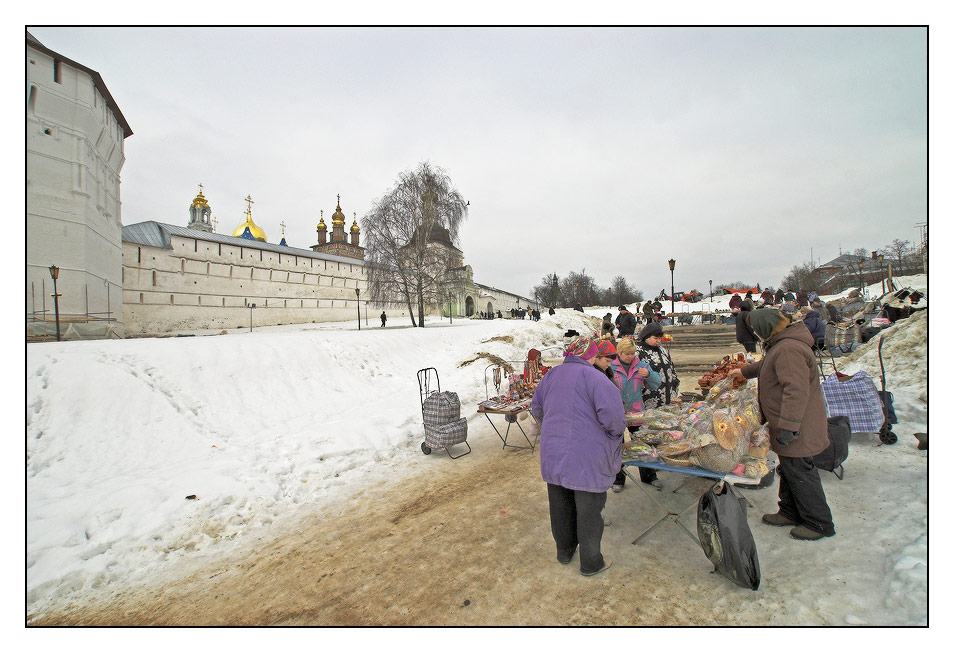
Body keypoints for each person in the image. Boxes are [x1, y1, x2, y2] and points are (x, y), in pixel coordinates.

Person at [727, 308, 835, 541]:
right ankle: (790, 511)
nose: (754, 332)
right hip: (791, 422)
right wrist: (744, 371)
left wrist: (788, 426)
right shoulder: (782, 343)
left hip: (797, 425)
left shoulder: (788, 349)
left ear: (766, 327)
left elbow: (795, 390)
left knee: (800, 472)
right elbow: (768, 364)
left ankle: (818, 523)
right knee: (788, 469)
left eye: (756, 328)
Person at [530, 337, 625, 576]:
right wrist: (613, 435)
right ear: (590, 356)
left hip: (554, 453)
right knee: (589, 509)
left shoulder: (551, 376)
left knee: (560, 504)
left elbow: (537, 408)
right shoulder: (596, 378)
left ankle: (564, 551)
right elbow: (614, 420)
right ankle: (591, 562)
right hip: (587, 457)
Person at [609, 335, 661, 492]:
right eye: (627, 353)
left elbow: (656, 383)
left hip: (637, 411)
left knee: (642, 445)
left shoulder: (642, 366)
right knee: (617, 447)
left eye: (632, 353)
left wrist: (649, 375)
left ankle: (649, 476)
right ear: (619, 353)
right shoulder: (610, 367)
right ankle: (618, 479)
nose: (630, 356)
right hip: (616, 412)